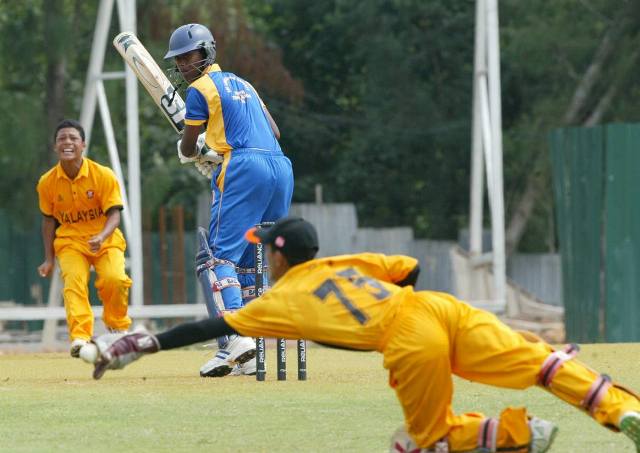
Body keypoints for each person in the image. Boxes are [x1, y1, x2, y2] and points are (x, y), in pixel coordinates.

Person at [88, 216, 640, 452]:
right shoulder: (342, 264)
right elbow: (406, 268)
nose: (262, 252)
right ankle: (620, 410)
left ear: (280, 255)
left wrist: (146, 343)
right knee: (541, 362)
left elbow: (212, 324)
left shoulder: (280, 298)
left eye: (265, 247)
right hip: (437, 307)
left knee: (425, 441)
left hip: (407, 337)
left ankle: (520, 435)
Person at [164, 23, 294, 378]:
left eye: (187, 57)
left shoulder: (199, 90)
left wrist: (194, 153)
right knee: (250, 257)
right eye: (178, 61)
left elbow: (190, 146)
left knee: (217, 256)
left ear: (206, 52)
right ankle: (244, 349)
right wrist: (217, 152)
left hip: (244, 166)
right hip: (280, 165)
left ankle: (236, 338)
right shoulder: (246, 84)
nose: (182, 66)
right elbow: (275, 131)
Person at [37, 119, 132, 357]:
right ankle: (80, 337)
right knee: (74, 284)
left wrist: (101, 236)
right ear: (55, 147)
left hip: (105, 239)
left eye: (73, 138)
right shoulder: (47, 182)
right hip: (70, 242)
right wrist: (48, 259)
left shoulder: (103, 175)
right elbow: (48, 221)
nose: (67, 142)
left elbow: (114, 215)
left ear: (83, 145)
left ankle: (117, 328)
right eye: (61, 139)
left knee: (115, 280)